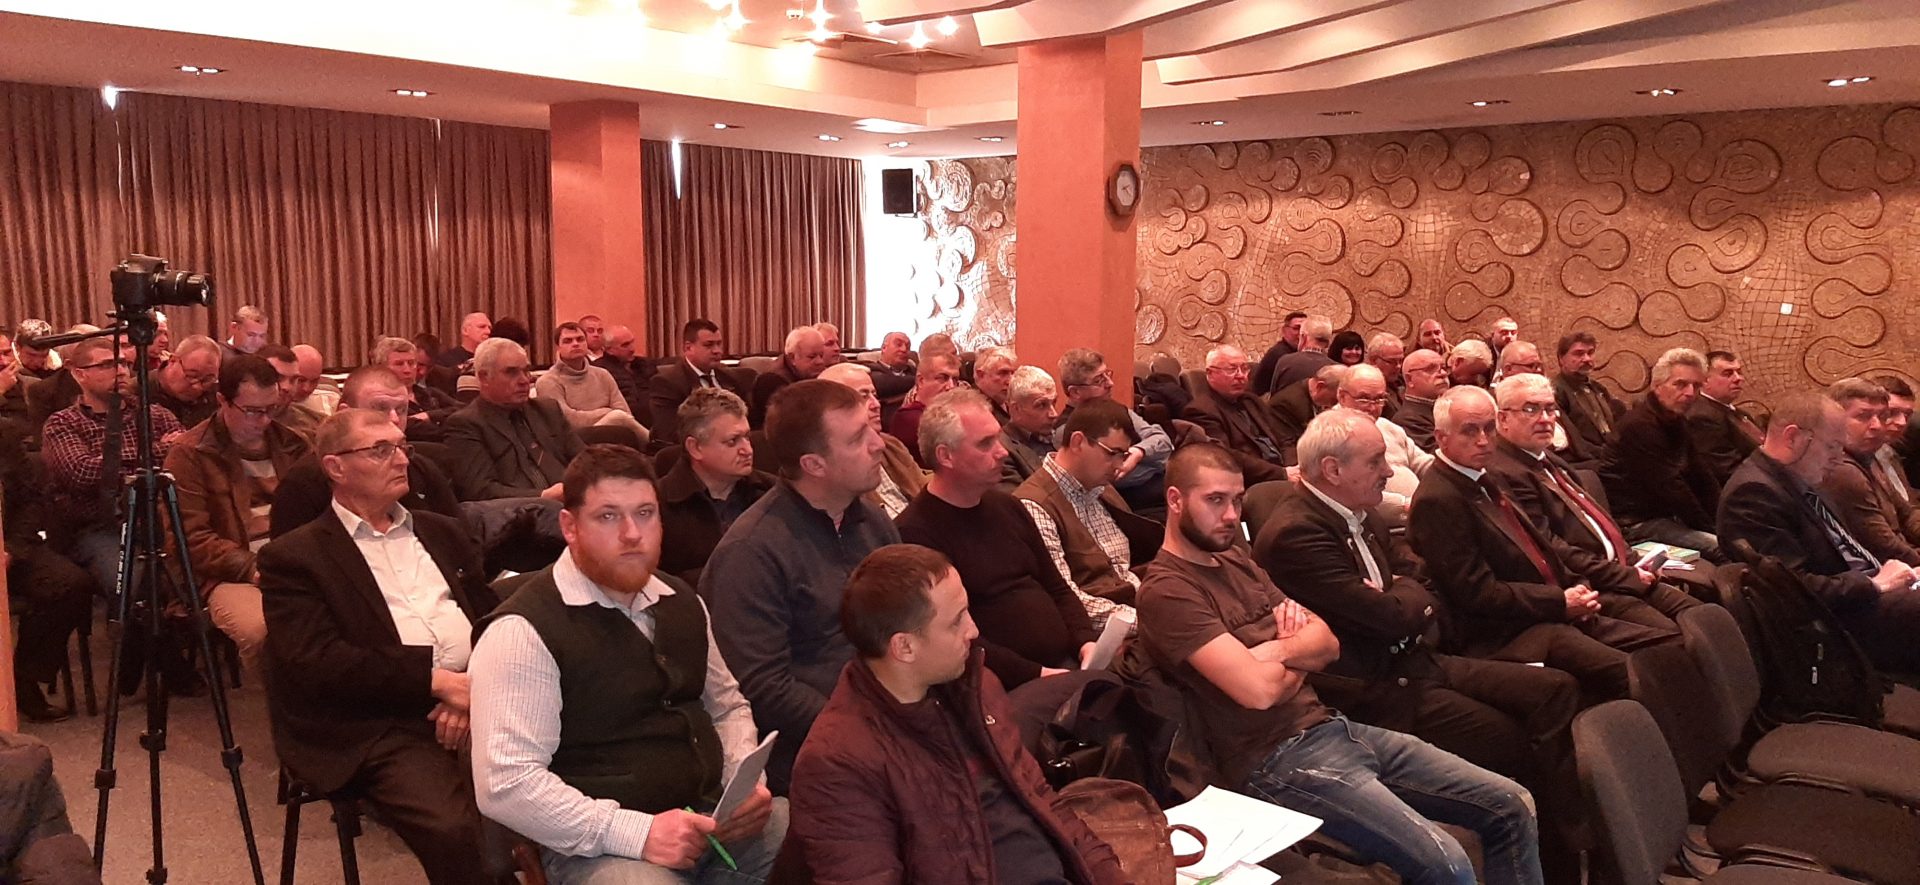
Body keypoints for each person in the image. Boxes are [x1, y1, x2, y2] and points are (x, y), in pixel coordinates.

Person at [1139, 443, 1544, 884]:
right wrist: (1295, 650)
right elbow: (1258, 692)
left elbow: (1326, 643)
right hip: (1272, 760)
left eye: (1237, 500)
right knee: (1445, 861)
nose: (1232, 515)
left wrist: (1275, 652)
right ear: (1175, 500)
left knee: (1511, 804)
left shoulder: (1235, 560)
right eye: (1215, 500)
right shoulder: (1168, 591)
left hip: (1332, 727)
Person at [1256, 411, 1583, 858]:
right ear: (1332, 470)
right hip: (1380, 688)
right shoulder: (1296, 534)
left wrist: (1401, 595)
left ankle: (1577, 845)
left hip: (1418, 660)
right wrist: (1403, 597)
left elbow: (1422, 581)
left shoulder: (1360, 512)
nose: (1389, 472)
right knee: (1511, 739)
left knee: (1556, 690)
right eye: (1375, 461)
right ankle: (1548, 856)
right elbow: (1391, 615)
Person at [471, 445, 784, 882]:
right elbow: (507, 783)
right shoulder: (522, 630)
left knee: (824, 834)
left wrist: (742, 785)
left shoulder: (683, 600)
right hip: (598, 847)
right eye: (608, 516)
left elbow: (726, 705)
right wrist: (639, 833)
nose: (633, 534)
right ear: (570, 526)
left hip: (710, 819)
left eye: (645, 514)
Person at [787, 544, 1128, 885]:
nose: (973, 630)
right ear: (904, 646)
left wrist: (1109, 876)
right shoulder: (837, 763)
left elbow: (1043, 800)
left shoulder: (975, 688)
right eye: (956, 621)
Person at [259, 409, 498, 885]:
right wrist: (435, 682)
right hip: (377, 722)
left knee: (579, 784)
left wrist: (471, 689)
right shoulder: (296, 557)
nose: (403, 460)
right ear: (335, 467)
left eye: (402, 447)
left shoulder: (441, 531)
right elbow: (319, 663)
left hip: (482, 693)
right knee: (457, 831)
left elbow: (491, 618)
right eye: (380, 450)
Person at [1408, 386, 1678, 700]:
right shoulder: (1438, 499)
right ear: (1441, 438)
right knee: (1637, 672)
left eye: (1489, 428)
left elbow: (1540, 548)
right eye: (1470, 430)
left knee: (1671, 646)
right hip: (1505, 630)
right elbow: (1476, 594)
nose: (1483, 440)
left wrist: (1576, 587)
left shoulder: (1482, 475)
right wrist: (1559, 601)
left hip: (1550, 604)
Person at [700, 380, 898, 794]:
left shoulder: (873, 523)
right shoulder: (751, 552)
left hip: (891, 718)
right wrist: (864, 728)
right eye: (858, 438)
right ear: (814, 465)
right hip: (814, 755)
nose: (878, 444)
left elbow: (907, 620)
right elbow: (761, 686)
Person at [896, 390, 1100, 694]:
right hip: (1000, 686)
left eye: (998, 438)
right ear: (945, 456)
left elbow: (1056, 586)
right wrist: (1038, 674)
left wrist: (1086, 641)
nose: (1002, 452)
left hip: (1066, 662)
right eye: (985, 444)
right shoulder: (915, 534)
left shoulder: (1008, 506)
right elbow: (956, 638)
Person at [1718, 391, 1920, 675]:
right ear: (1793, 437)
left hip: (1860, 593)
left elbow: (1846, 550)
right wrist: (1875, 584)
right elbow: (1792, 590)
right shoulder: (1753, 493)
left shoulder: (1798, 478)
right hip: (1833, 625)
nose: (1838, 457)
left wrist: (1898, 575)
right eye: (1832, 446)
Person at [1486, 374, 1700, 623]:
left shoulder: (1547, 459)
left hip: (1621, 570)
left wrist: (1636, 562)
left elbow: (1599, 522)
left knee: (1705, 613)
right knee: (1677, 638)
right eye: (1530, 410)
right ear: (1503, 418)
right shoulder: (1505, 472)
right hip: (1593, 587)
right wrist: (1625, 575)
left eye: (1550, 409)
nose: (1545, 419)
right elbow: (1551, 548)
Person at [165, 354, 313, 673]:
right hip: (228, 573)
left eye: (271, 409)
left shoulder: (294, 444)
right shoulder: (190, 453)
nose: (264, 421)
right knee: (264, 633)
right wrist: (253, 567)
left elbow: (318, 514)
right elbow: (191, 539)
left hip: (293, 563)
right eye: (253, 411)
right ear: (222, 400)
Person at [40, 337, 187, 598]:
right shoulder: (63, 423)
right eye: (107, 365)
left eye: (122, 363)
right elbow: (83, 473)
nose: (120, 371)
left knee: (195, 571)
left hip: (160, 518)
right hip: (100, 526)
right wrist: (157, 450)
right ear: (79, 374)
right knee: (134, 584)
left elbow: (185, 458)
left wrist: (113, 463)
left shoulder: (154, 413)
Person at [270, 366, 462, 538]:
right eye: (380, 408)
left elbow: (458, 539)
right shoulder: (304, 482)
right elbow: (291, 557)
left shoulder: (420, 467)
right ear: (344, 412)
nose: (394, 419)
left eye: (401, 410)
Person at [1016, 399, 1158, 632]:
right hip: (1106, 632)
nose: (1119, 465)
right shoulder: (1034, 504)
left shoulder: (1100, 486)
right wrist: (1151, 625)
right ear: (1078, 442)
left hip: (1140, 601)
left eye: (1123, 455)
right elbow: (1067, 600)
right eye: (1113, 453)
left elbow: (1127, 569)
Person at [443, 338, 578, 553]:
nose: (525, 380)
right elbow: (480, 491)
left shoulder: (547, 410)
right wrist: (543, 497)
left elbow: (584, 459)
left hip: (574, 503)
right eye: (511, 372)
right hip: (523, 525)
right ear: (483, 377)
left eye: (526, 371)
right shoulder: (466, 424)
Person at [0, 413, 93, 722]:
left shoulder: (5, 433)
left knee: (72, 584)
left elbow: (30, 501)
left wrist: (11, 549)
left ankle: (22, 678)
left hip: (9, 543)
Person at [1598, 348, 1723, 561]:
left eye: (1696, 386)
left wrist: (1725, 520)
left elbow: (1701, 476)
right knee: (1722, 548)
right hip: (1635, 524)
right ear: (1657, 386)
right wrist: (1713, 529)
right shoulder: (1639, 425)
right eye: (1680, 384)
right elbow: (1672, 488)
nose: (1690, 393)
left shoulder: (1675, 420)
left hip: (1664, 516)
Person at [656, 388, 774, 582]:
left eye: (747, 437)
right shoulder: (658, 506)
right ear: (695, 448)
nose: (747, 450)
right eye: (733, 441)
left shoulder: (772, 492)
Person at [1056, 348, 1171, 513]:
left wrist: (1139, 452)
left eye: (1107, 375)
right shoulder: (1067, 431)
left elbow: (1163, 441)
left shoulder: (1116, 409)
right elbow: (1112, 477)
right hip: (1133, 505)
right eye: (1098, 380)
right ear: (1075, 392)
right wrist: (1156, 462)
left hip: (1161, 489)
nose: (1110, 384)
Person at [1819, 378, 1920, 565]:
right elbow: (1883, 546)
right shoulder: (1841, 469)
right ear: (1833, 419)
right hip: (1883, 570)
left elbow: (1907, 514)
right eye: (1863, 416)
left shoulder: (1869, 455)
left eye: (1882, 416)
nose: (1877, 426)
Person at [817, 362, 924, 519]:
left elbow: (924, 494)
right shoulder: (834, 461)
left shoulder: (891, 445)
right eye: (863, 396)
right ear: (831, 409)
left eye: (875, 395)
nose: (876, 404)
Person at [1335, 364, 1430, 525]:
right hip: (1383, 527)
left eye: (1379, 399)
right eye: (1364, 399)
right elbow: (1351, 493)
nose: (1372, 407)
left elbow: (1422, 462)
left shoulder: (1387, 426)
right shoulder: (1331, 435)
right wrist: (1408, 505)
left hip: (1418, 514)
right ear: (1342, 397)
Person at [1182, 344, 1291, 483]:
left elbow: (1284, 438)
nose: (1240, 376)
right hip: (1253, 480)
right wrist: (1282, 473)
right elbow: (1225, 458)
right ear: (1210, 373)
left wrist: (1294, 467)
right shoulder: (1200, 411)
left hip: (1285, 471)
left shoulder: (1251, 400)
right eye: (1231, 369)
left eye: (1244, 369)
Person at [535, 322, 648, 445]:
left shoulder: (602, 374)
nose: (575, 344)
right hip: (574, 442)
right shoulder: (548, 381)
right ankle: (654, 445)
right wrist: (608, 412)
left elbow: (625, 411)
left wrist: (611, 416)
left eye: (580, 339)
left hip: (613, 435)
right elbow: (568, 421)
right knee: (618, 417)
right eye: (568, 341)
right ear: (558, 347)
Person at [649, 319, 745, 448]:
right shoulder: (667, 383)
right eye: (709, 345)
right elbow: (670, 432)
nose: (717, 351)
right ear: (688, 348)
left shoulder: (730, 378)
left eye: (719, 344)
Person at [1688, 350, 1763, 488]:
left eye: (1739, 372)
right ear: (1704, 380)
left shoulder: (1740, 413)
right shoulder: (1702, 417)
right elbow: (1728, 471)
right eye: (1728, 374)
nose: (1738, 378)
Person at [1552, 331, 1624, 457]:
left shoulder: (1598, 388)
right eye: (1579, 353)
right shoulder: (1556, 391)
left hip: (1611, 454)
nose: (1587, 359)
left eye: (1590, 353)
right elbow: (1571, 439)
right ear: (1561, 359)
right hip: (1586, 460)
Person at [748, 325, 832, 428]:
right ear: (792, 358)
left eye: (821, 355)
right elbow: (793, 424)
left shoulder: (811, 375)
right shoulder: (771, 382)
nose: (820, 362)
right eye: (812, 357)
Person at [887, 350, 959, 467]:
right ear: (921, 381)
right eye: (942, 378)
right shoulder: (908, 417)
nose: (951, 386)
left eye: (955, 380)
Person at [999, 365, 1059, 490]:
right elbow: (1018, 499)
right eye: (1041, 405)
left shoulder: (1060, 438)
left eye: (1054, 403)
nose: (1053, 414)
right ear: (1016, 409)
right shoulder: (1003, 450)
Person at [150, 334, 221, 429]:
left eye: (206, 380)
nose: (197, 387)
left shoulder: (215, 396)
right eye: (192, 376)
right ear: (172, 361)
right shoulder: (139, 393)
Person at [1271, 363, 1345, 454]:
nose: (1336, 404)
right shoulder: (1287, 404)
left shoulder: (1312, 396)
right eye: (1334, 399)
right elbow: (1287, 447)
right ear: (1320, 387)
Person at [260, 344, 323, 442]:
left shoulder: (317, 424)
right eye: (278, 377)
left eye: (293, 380)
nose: (286, 387)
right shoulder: (238, 419)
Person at [1392, 347, 1449, 450]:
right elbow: (1442, 454)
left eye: (1443, 367)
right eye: (1431, 369)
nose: (1443, 373)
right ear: (1410, 379)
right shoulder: (1407, 420)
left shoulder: (1448, 405)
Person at [1871, 374, 1917, 503]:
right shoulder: (1856, 461)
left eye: (1907, 415)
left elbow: (1908, 504)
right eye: (1891, 412)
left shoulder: (1889, 452)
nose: (1902, 422)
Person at [593, 324, 654, 419]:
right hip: (625, 420)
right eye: (625, 345)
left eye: (632, 342)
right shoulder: (599, 371)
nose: (632, 349)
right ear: (609, 350)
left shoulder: (644, 364)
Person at [1267, 315, 1335, 393]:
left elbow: (1273, 396)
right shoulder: (1337, 370)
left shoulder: (1285, 362)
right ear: (1328, 342)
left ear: (1303, 337)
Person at [1252, 310, 1308, 396]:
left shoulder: (1300, 353)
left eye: (1305, 329)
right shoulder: (1279, 354)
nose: (1301, 333)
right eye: (1296, 328)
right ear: (1284, 330)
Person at [971, 345, 1018, 423]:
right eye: (1003, 373)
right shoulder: (972, 409)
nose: (1010, 380)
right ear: (981, 374)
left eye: (1012, 373)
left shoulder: (1012, 404)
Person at [1365, 332, 1407, 415]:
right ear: (1373, 360)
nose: (1398, 366)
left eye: (1400, 361)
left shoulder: (1401, 381)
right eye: (1392, 361)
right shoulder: (1367, 388)